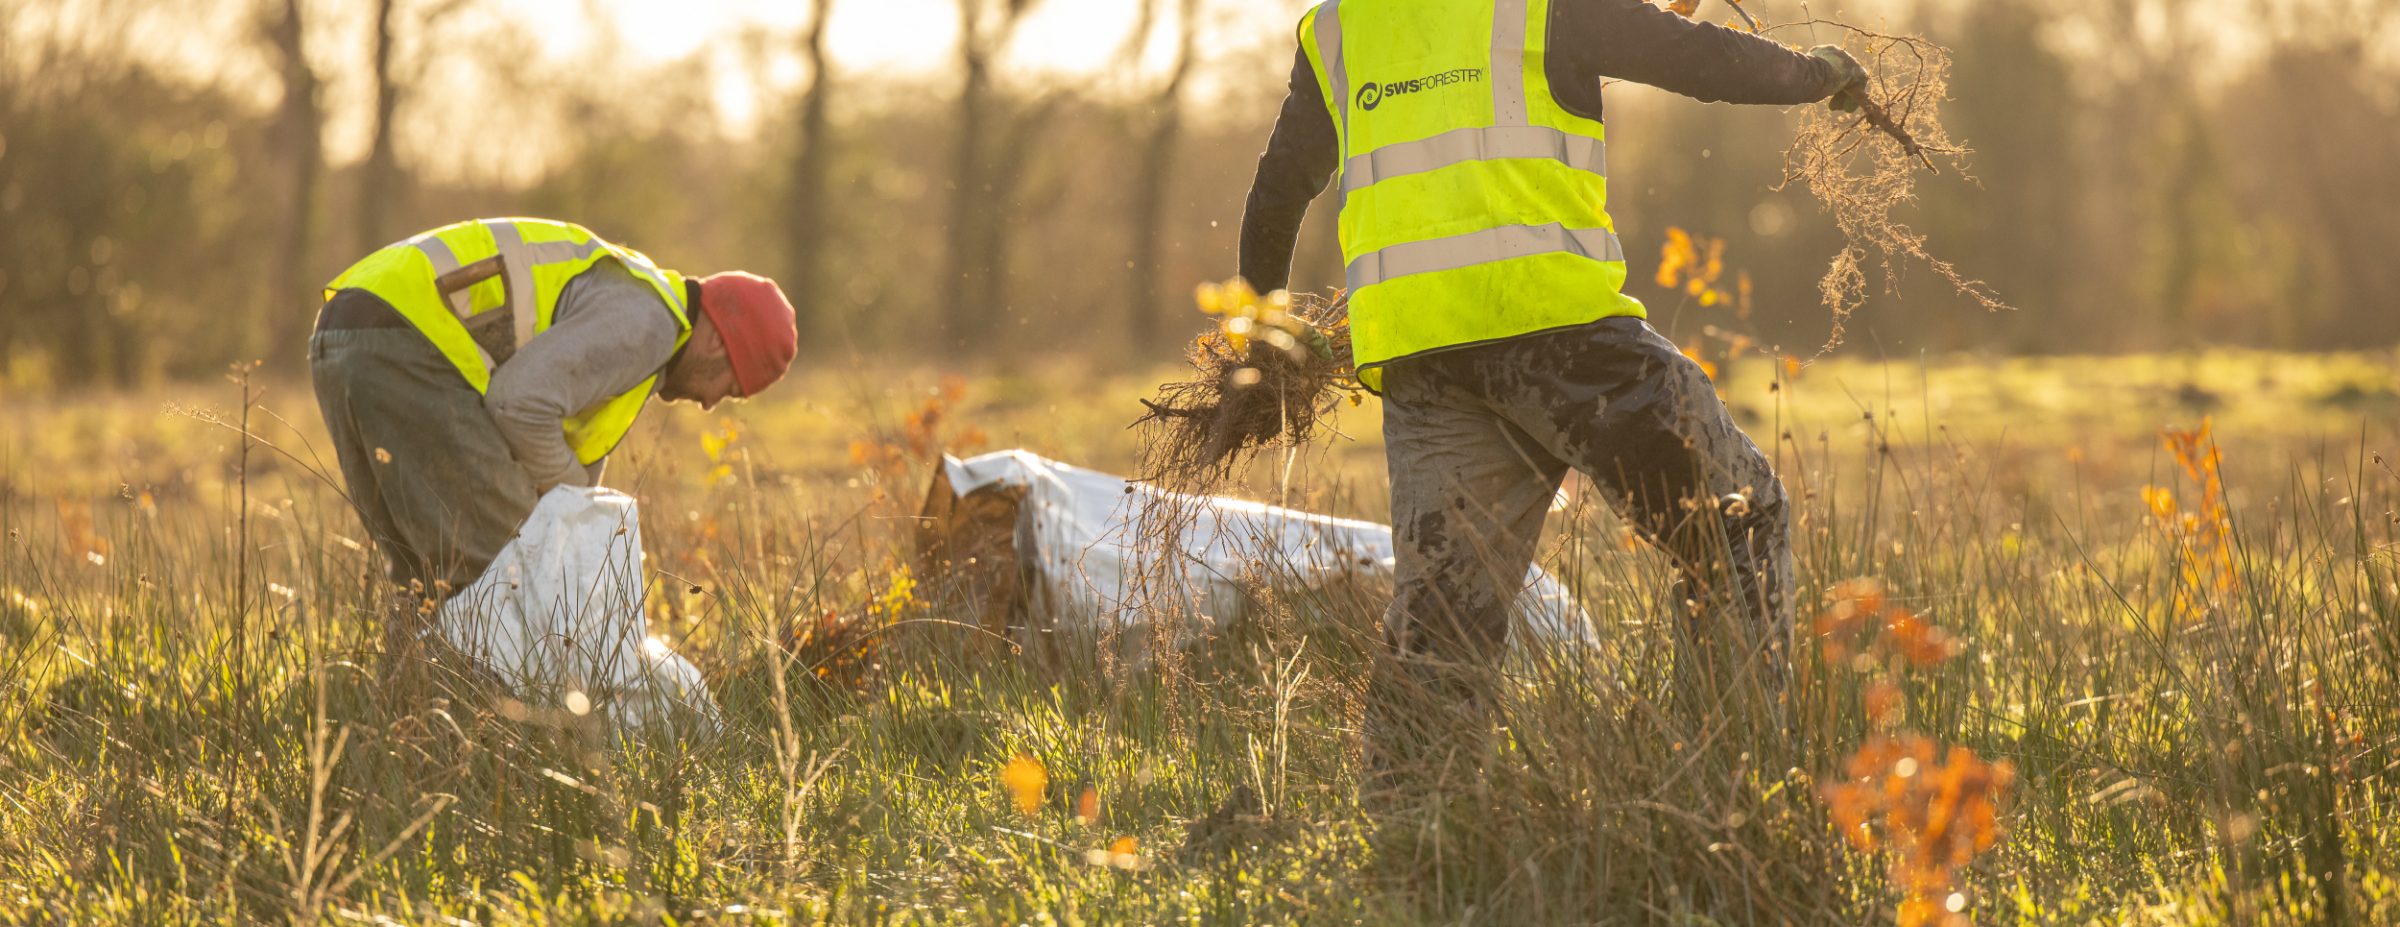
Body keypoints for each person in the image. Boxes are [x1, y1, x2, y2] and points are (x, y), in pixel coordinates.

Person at [1233, 1, 1869, 773]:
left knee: (1442, 620)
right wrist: (1816, 74)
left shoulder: (1338, 26)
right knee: (1738, 524)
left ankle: (1412, 848)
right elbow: (1696, 59)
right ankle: (1729, 789)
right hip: (1563, 337)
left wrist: (1263, 341)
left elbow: (1275, 193)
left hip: (1420, 355)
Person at [311, 217, 798, 599]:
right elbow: (519, 404)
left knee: (419, 577)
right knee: (506, 576)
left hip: (343, 330)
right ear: (717, 342)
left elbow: (560, 444)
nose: (711, 404)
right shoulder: (647, 324)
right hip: (406, 338)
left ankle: (402, 714)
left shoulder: (637, 312)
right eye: (729, 388)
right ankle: (491, 720)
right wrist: (563, 501)